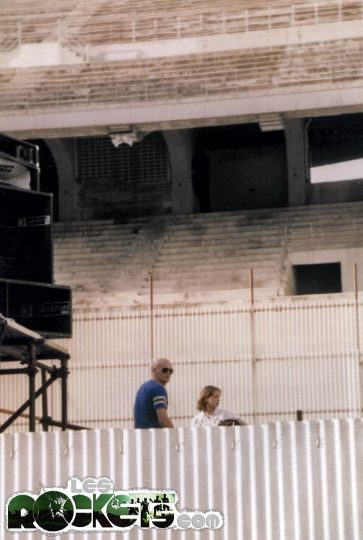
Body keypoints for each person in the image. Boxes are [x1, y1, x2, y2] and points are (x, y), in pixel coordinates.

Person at [133, 358, 175, 428]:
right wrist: (175, 435)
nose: (168, 373)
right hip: (153, 435)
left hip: (140, 434)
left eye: (171, 371)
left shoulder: (144, 387)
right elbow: (163, 419)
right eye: (164, 370)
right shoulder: (158, 388)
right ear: (154, 370)